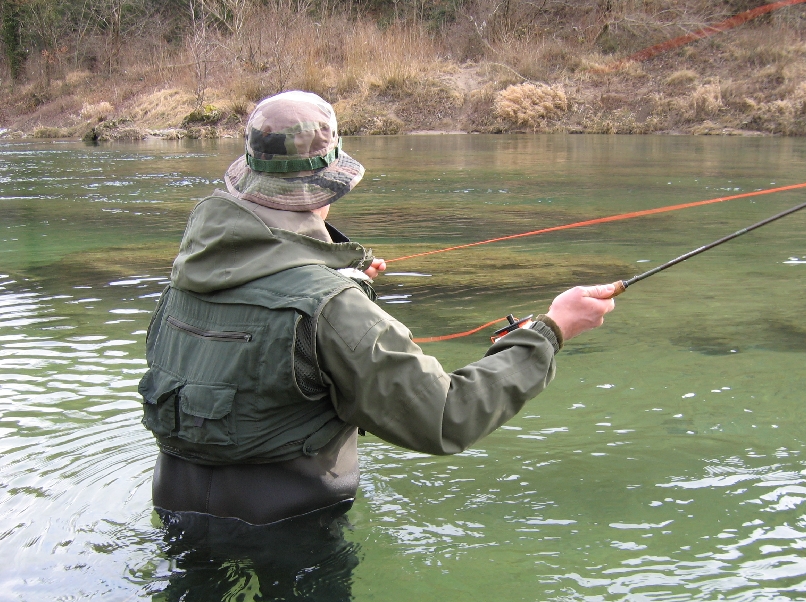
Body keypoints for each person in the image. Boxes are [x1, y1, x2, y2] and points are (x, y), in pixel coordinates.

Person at [140, 90, 617, 526]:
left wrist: (338, 285)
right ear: (327, 188)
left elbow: (254, 339)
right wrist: (551, 332)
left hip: (174, 504)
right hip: (287, 527)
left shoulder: (190, 271)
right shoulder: (333, 307)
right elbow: (447, 416)